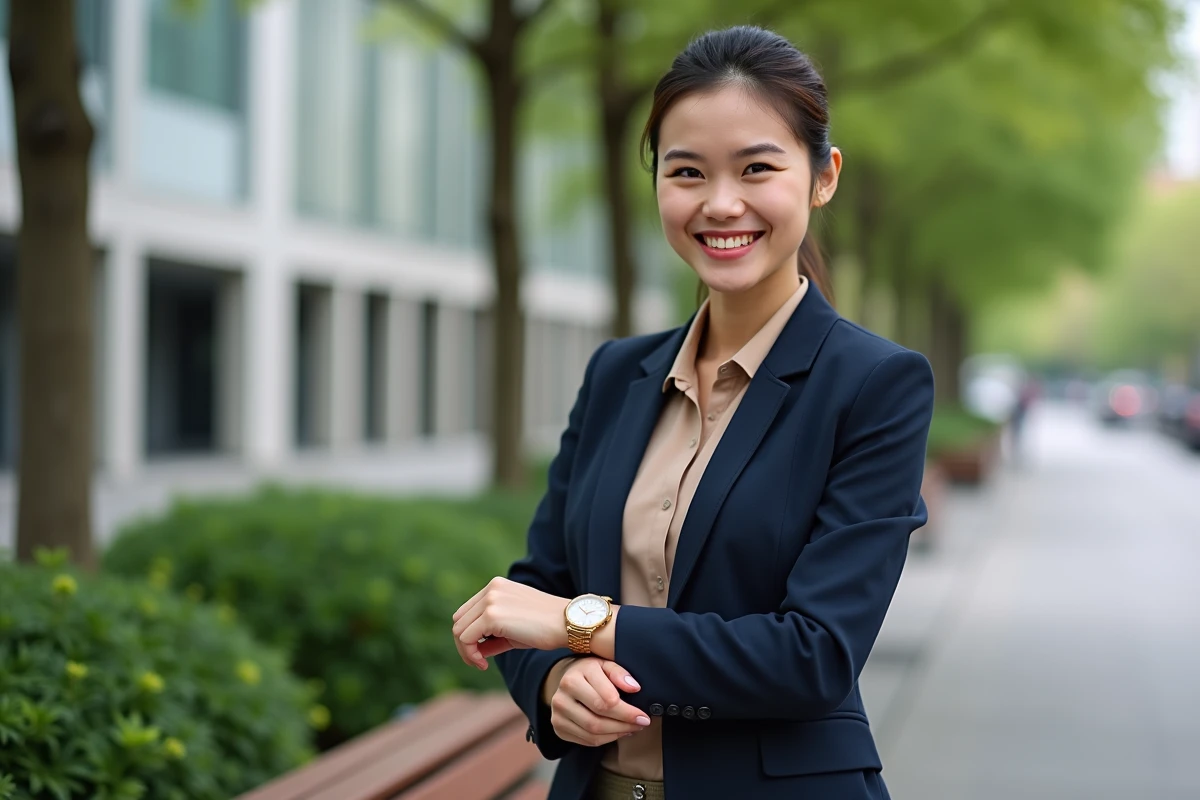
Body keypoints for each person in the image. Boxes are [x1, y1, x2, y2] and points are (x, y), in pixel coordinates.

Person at [451, 26, 934, 800]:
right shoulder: (617, 374)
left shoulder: (876, 386)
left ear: (823, 176)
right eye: (687, 171)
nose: (720, 203)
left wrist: (578, 626)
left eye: (756, 168)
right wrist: (553, 685)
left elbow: (813, 657)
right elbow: (535, 587)